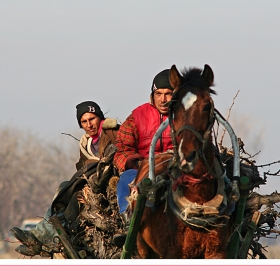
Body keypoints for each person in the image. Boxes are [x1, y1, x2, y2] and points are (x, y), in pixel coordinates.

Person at [10, 101, 119, 257]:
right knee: (64, 187)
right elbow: (82, 169)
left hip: (109, 184)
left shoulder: (112, 133)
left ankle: (41, 238)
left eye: (92, 119)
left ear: (100, 118)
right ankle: (41, 238)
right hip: (91, 184)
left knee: (69, 192)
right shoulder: (86, 143)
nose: (89, 124)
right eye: (84, 121)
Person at [113, 69, 174, 246]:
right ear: (152, 95)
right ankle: (128, 222)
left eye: (168, 94)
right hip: (142, 169)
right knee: (125, 179)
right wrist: (135, 162)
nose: (163, 99)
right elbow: (122, 149)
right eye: (159, 94)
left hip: (175, 169)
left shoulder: (185, 116)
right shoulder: (137, 116)